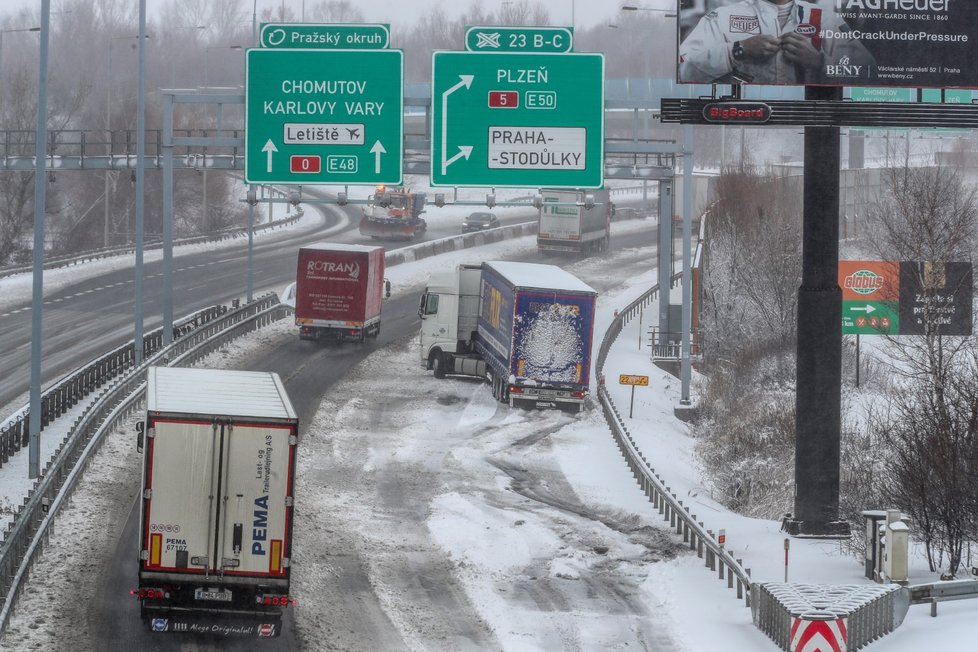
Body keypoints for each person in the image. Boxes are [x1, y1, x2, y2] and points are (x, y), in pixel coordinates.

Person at [678, 0, 875, 85]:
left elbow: (869, 74)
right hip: (743, 123)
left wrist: (821, 62)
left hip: (813, 118)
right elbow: (682, 68)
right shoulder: (723, 17)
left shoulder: (826, 19)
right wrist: (737, 50)